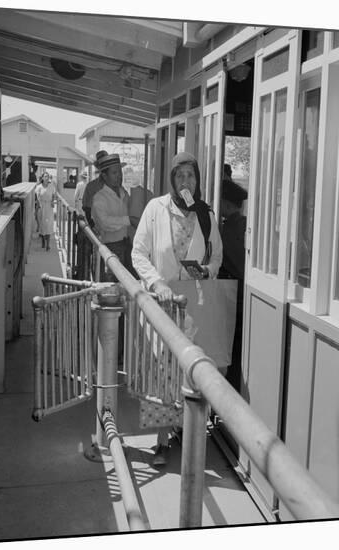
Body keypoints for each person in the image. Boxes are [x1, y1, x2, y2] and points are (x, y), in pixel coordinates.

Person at [131, 151, 223, 465]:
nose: (186, 181)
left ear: (198, 180)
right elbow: (138, 253)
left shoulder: (205, 214)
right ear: (172, 179)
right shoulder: (155, 209)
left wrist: (207, 271)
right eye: (180, 175)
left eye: (191, 176)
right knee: (160, 369)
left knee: (189, 370)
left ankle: (185, 431)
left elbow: (216, 256)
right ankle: (160, 440)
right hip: (162, 303)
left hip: (192, 305)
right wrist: (157, 283)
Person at [218, 174, 248, 393]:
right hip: (243, 293)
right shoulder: (245, 226)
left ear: (226, 205)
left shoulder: (225, 231)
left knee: (229, 344)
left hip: (230, 293)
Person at [91, 153, 138, 281]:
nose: (119, 176)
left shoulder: (124, 193)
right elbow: (105, 223)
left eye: (120, 172)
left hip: (127, 245)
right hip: (111, 248)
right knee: (112, 288)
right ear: (104, 176)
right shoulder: (99, 198)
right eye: (114, 173)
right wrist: (129, 220)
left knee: (128, 284)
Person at [35, 172, 56, 251]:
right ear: (42, 178)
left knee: (49, 225)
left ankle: (48, 244)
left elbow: (54, 195)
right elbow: (37, 199)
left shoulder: (51, 186)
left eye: (47, 176)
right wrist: (36, 210)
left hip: (49, 207)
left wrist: (52, 201)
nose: (46, 178)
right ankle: (43, 241)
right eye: (45, 176)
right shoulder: (39, 187)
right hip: (41, 207)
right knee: (42, 225)